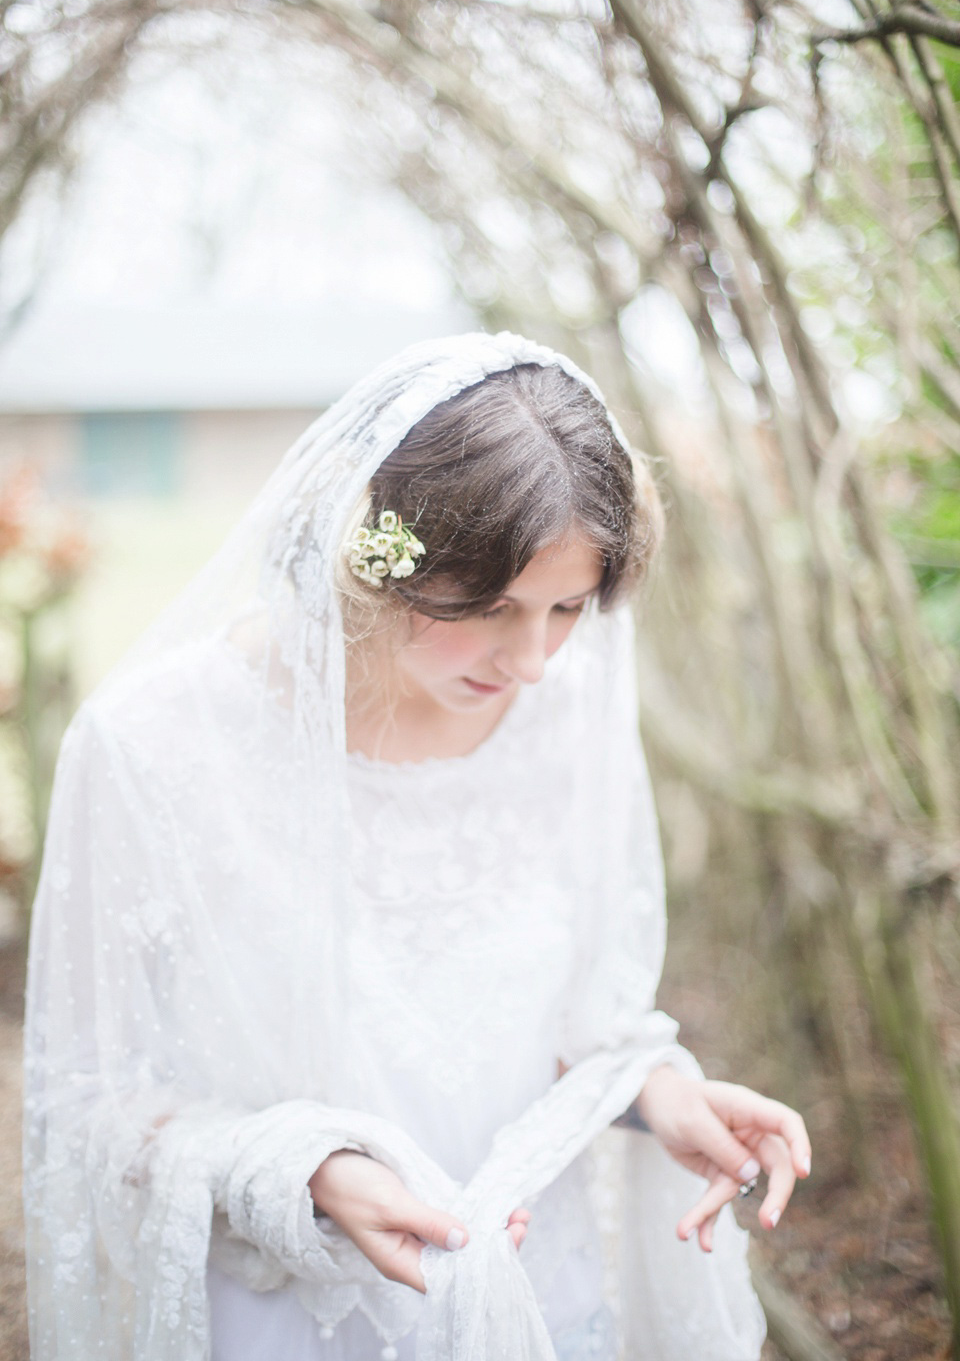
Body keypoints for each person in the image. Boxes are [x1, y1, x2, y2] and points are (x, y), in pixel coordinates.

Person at [23, 332, 810, 1361]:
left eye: (568, 608)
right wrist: (303, 1171)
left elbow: (577, 1015)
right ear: (372, 559)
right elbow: (85, 1104)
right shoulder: (152, 748)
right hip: (297, 1315)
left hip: (539, 1297)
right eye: (487, 609)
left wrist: (656, 1094)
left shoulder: (568, 715)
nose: (533, 659)